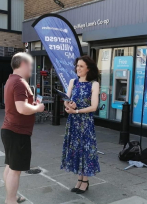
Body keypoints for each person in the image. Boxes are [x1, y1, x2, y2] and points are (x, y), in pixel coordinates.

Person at [1, 52, 44, 204]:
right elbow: (21, 108)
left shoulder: (11, 80)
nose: (32, 68)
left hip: (10, 130)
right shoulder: (19, 82)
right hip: (17, 132)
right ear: (23, 64)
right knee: (15, 170)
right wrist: (38, 108)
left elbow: (19, 105)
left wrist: (31, 105)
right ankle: (10, 200)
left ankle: (11, 197)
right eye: (31, 64)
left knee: (10, 166)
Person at [61, 55, 100, 194]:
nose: (78, 68)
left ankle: (85, 180)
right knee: (76, 150)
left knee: (85, 151)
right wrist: (68, 104)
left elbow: (94, 107)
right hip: (73, 122)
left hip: (85, 123)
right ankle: (79, 179)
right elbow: (66, 99)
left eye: (81, 66)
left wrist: (76, 110)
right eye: (77, 66)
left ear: (88, 68)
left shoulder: (94, 84)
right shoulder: (73, 81)